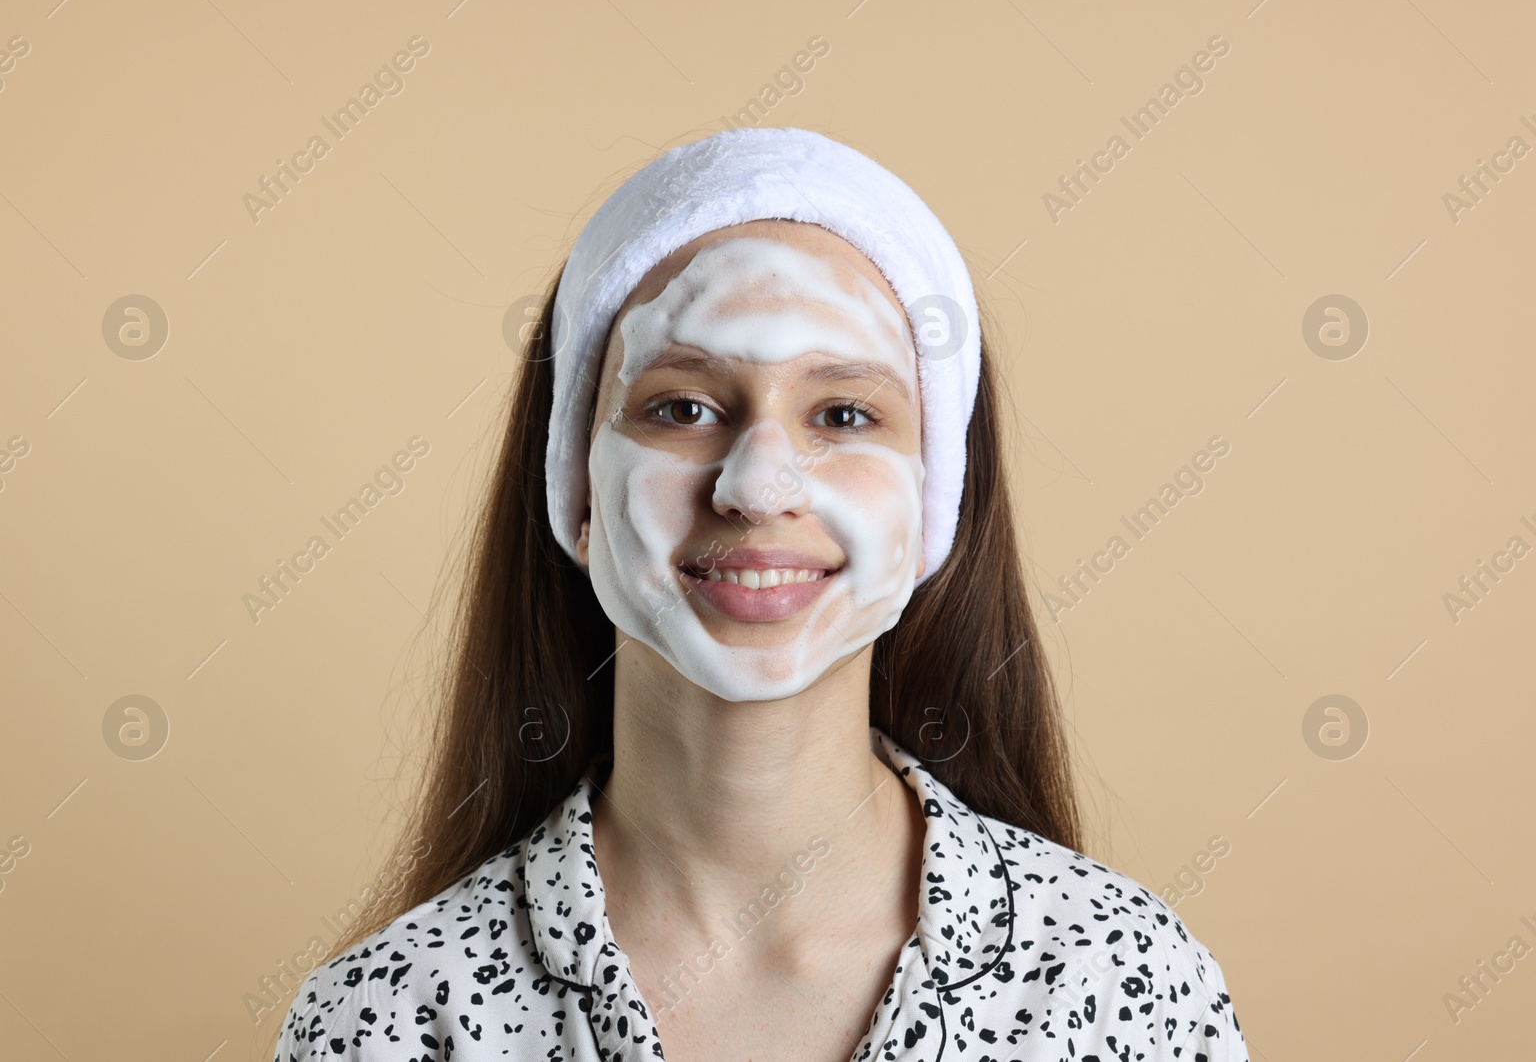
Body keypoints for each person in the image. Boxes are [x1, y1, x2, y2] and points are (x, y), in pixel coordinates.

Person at [271, 126, 1249, 1061]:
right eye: (682, 407)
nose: (756, 484)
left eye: (843, 412)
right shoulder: (385, 1019)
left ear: (930, 507)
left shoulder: (1120, 979)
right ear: (575, 490)